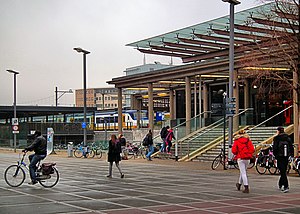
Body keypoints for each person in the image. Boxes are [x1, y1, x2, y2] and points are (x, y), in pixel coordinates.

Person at [232, 129, 255, 193]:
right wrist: (248, 153)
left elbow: (234, 151)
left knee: (243, 173)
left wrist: (238, 153)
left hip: (240, 158)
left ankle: (246, 187)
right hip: (247, 158)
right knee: (243, 172)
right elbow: (252, 149)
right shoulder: (248, 140)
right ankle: (239, 184)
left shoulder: (236, 141)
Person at [272, 126, 294, 193]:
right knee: (283, 170)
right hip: (286, 156)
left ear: (278, 131)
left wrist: (275, 156)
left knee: (282, 171)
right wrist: (290, 154)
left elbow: (275, 148)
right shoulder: (288, 138)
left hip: (279, 157)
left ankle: (286, 186)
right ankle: (280, 183)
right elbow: (291, 147)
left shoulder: (276, 138)